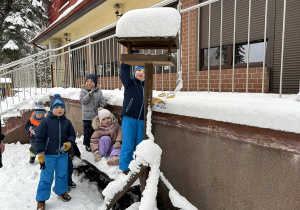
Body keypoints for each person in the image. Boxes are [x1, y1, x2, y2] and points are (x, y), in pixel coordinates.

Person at [35, 94, 76, 210]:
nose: (59, 109)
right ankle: (41, 199)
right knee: (46, 177)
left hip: (62, 155)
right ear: (52, 109)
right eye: (57, 107)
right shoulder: (45, 122)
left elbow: (72, 135)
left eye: (62, 107)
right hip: (48, 155)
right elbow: (39, 138)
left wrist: (69, 143)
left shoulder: (67, 122)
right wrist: (40, 153)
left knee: (62, 174)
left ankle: (61, 192)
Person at [119, 63, 145, 174]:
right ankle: (125, 168)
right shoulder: (130, 82)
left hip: (141, 120)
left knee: (140, 145)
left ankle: (137, 166)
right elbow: (123, 75)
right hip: (129, 118)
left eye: (144, 72)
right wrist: (126, 63)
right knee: (128, 143)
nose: (141, 73)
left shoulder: (146, 87)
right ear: (134, 72)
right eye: (139, 70)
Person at [80, 74, 106, 152]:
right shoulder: (83, 91)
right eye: (87, 81)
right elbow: (83, 101)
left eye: (91, 81)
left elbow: (101, 100)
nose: (89, 83)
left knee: (95, 131)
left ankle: (94, 144)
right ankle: (87, 145)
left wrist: (102, 105)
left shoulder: (98, 91)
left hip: (96, 116)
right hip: (87, 116)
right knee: (87, 131)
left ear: (95, 83)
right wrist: (90, 94)